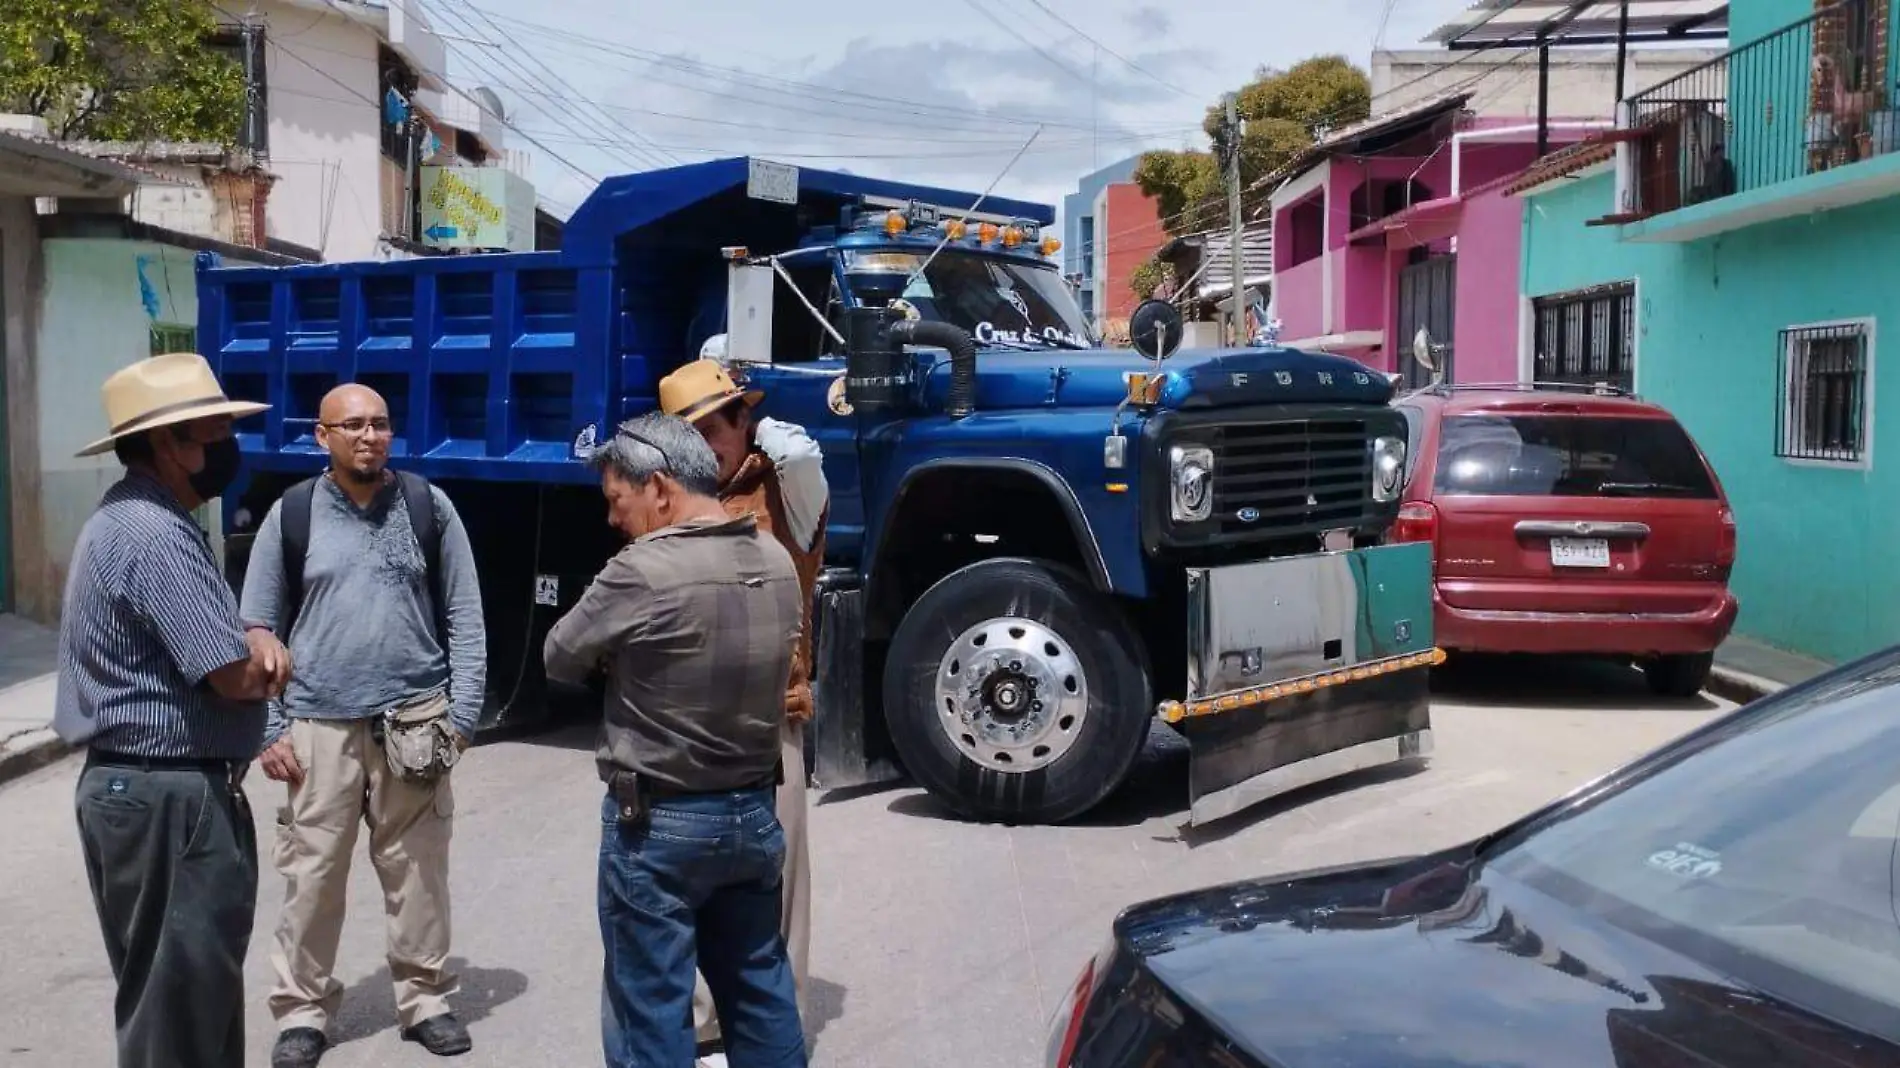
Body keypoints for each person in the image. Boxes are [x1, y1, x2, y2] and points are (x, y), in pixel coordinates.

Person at [545, 412, 807, 1068]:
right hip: (753, 815)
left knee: (651, 1010)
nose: (612, 520)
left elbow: (559, 655)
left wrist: (623, 657)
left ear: (660, 488)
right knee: (759, 992)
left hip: (660, 824)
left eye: (617, 500)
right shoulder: (775, 559)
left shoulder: (642, 570)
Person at [237, 384, 487, 1067]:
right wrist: (270, 727)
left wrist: (461, 719)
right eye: (352, 425)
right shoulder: (290, 515)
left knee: (418, 873)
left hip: (416, 720)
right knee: (312, 877)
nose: (368, 436)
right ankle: (303, 1012)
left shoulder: (428, 507)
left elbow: (466, 615)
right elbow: (256, 627)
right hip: (318, 724)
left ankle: (425, 998)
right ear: (323, 437)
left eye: (379, 424)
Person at [55, 352, 291, 1068]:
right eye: (215, 431)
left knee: (193, 1007)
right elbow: (234, 677)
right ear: (171, 445)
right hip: (166, 799)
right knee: (178, 1018)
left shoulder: (143, 520)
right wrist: (274, 654)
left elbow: (217, 640)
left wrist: (248, 632)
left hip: (157, 795)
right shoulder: (153, 535)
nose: (227, 444)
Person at [658, 358, 827, 1066]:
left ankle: (770, 1026)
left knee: (776, 878)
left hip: (769, 714)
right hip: (686, 721)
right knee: (691, 879)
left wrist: (800, 457)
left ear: (744, 422)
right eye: (688, 436)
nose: (705, 446)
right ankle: (704, 1023)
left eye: (713, 428)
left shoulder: (785, 487)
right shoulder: (666, 501)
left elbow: (813, 488)